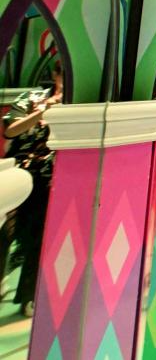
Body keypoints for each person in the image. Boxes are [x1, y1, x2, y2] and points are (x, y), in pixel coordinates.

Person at [2, 61, 63, 317]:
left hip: (52, 179)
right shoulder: (33, 98)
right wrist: (43, 112)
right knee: (7, 232)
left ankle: (28, 295)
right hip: (19, 175)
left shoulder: (77, 103)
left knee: (38, 236)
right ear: (54, 75)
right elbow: (10, 131)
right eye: (61, 72)